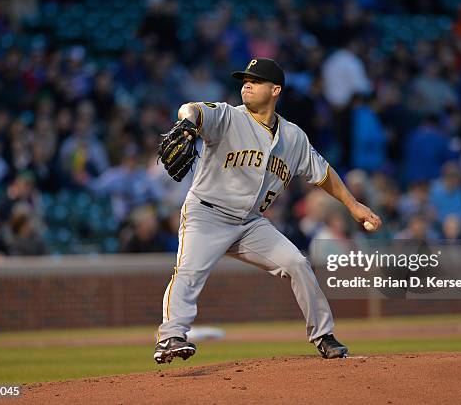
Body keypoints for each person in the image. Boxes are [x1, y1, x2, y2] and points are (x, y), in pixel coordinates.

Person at [154, 58, 382, 364]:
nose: (247, 84)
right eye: (245, 79)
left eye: (256, 80)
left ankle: (323, 336)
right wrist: (185, 123)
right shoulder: (228, 117)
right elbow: (191, 109)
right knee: (189, 272)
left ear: (275, 90)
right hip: (206, 214)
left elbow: (323, 173)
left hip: (250, 223)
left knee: (297, 263)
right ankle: (170, 336)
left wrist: (354, 206)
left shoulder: (293, 137)